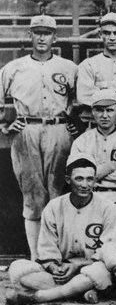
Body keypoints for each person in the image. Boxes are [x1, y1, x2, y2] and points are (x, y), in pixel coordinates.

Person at [0, 15, 77, 260]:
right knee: (33, 196)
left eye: (47, 32)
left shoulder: (68, 67)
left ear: (56, 37)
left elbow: (80, 102)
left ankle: (56, 254)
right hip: (27, 130)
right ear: (29, 35)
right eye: (37, 32)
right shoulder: (13, 67)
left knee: (59, 194)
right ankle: (36, 256)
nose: (42, 37)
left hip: (59, 128)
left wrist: (75, 125)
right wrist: (5, 124)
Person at [6, 154, 116, 305]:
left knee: (99, 272)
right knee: (17, 268)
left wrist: (78, 265)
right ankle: (78, 293)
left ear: (95, 180)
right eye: (79, 178)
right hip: (62, 271)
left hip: (90, 267)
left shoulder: (108, 208)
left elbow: (110, 252)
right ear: (68, 180)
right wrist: (54, 267)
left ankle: (43, 296)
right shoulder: (54, 206)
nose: (85, 184)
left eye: (90, 179)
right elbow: (47, 249)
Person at [70, 89, 116, 231]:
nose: (104, 115)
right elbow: (77, 177)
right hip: (91, 195)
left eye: (109, 110)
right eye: (99, 110)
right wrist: (110, 166)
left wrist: (94, 173)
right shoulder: (82, 141)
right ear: (92, 112)